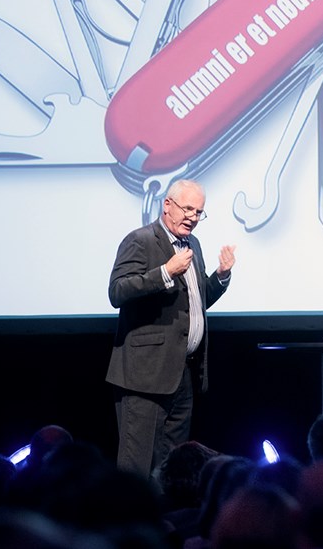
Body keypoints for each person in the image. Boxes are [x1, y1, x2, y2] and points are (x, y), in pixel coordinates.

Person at [106, 178, 237, 483]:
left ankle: (169, 524)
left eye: (199, 211)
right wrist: (164, 272)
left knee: (173, 467)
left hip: (183, 374)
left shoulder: (193, 245)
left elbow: (196, 298)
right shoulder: (141, 240)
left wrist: (221, 276)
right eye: (188, 208)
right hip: (145, 375)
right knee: (136, 466)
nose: (193, 216)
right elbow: (117, 292)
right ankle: (133, 528)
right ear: (167, 205)